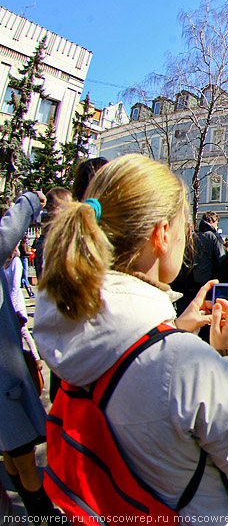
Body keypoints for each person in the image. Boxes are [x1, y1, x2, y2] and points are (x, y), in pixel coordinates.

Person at [34, 154, 228, 522]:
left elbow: (131, 372)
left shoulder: (67, 323)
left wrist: (173, 330)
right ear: (162, 235)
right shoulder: (187, 363)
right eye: (183, 232)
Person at [0, 190, 57, 522]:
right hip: (6, 388)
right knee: (23, 460)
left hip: (8, 380)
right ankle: (44, 516)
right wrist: (32, 200)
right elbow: (7, 234)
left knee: (12, 453)